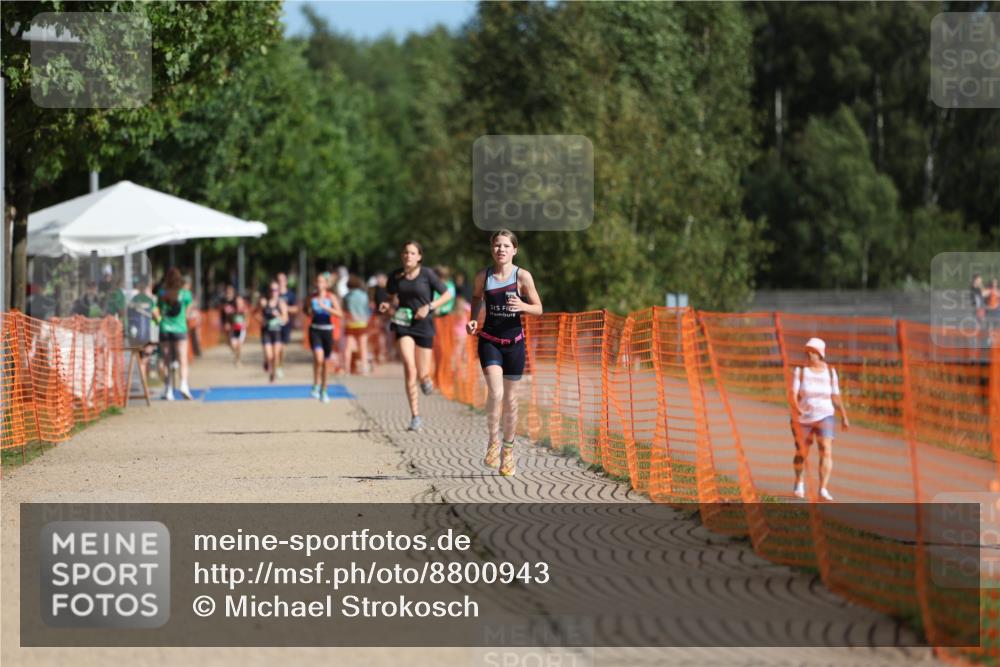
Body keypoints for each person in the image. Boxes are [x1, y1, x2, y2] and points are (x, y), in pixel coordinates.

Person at [467, 229, 543, 476]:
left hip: (515, 344)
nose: (501, 250)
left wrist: (522, 305)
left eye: (506, 246)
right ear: (492, 249)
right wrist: (472, 320)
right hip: (489, 341)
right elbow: (476, 297)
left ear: (514, 250)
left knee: (510, 400)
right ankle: (492, 441)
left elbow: (539, 308)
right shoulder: (484, 276)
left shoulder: (523, 277)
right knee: (496, 393)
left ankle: (508, 452)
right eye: (497, 245)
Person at [378, 241, 452, 431]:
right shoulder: (395, 275)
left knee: (422, 372)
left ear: (419, 257)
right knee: (409, 367)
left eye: (412, 253)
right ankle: (415, 415)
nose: (408, 256)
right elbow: (390, 297)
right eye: (405, 252)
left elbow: (447, 294)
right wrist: (387, 305)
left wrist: (429, 306)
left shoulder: (427, 274)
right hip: (403, 323)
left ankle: (425, 379)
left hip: (424, 324)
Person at [790, 337, 849, 501]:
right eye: (807, 351)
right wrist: (796, 407)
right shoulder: (800, 371)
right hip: (803, 418)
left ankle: (823, 488)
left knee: (825, 448)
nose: (809, 354)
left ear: (820, 354)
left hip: (826, 415)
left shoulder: (830, 372)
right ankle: (799, 482)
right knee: (802, 452)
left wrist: (843, 416)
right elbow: (792, 395)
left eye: (813, 351)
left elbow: (835, 396)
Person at [157, 267, 195, 400]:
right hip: (180, 329)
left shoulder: (162, 293)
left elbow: (159, 310)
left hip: (165, 329)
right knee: (182, 358)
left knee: (166, 359)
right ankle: (184, 384)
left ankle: (168, 388)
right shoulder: (186, 294)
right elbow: (188, 313)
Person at [306, 273, 342, 402]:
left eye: (322, 282)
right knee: (318, 358)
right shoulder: (311, 297)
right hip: (315, 330)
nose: (320, 284)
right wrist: (310, 310)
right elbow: (307, 312)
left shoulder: (331, 297)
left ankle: (324, 389)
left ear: (326, 284)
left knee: (325, 363)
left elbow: (340, 314)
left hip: (327, 331)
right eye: (318, 281)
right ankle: (315, 384)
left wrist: (326, 307)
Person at [128, 276, 160, 385]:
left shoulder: (133, 299)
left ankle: (142, 383)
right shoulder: (150, 300)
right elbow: (156, 316)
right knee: (144, 360)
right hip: (148, 333)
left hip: (135, 334)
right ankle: (143, 384)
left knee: (141, 359)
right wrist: (160, 320)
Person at [258, 280, 289, 384]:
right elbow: (255, 313)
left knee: (276, 355)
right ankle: (266, 361)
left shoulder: (281, 303)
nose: (273, 292)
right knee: (269, 356)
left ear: (278, 291)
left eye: (275, 290)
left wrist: (278, 316)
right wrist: (260, 320)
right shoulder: (264, 302)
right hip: (266, 332)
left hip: (277, 332)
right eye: (271, 290)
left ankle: (273, 374)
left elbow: (286, 319)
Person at [344, 274, 372, 375]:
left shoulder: (347, 297)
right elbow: (367, 309)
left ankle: (346, 369)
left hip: (350, 323)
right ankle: (364, 368)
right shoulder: (364, 295)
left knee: (348, 347)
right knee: (363, 347)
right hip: (362, 323)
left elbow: (344, 310)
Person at [276, 272, 298, 378]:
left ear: (286, 282)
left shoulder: (291, 294)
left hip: (286, 324)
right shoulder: (274, 293)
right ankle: (274, 366)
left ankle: (279, 365)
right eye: (279, 280)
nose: (281, 282)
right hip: (274, 325)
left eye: (282, 280)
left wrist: (285, 308)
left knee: (282, 349)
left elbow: (296, 309)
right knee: (276, 347)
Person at [221, 285, 248, 367]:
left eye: (240, 302)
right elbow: (227, 317)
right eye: (237, 302)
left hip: (241, 329)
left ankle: (238, 360)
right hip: (233, 328)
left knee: (239, 345)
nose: (238, 303)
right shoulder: (231, 308)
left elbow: (247, 318)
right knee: (232, 345)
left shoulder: (244, 309)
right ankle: (236, 355)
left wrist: (245, 324)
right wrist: (227, 323)